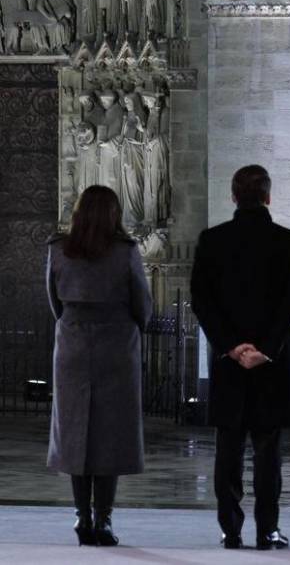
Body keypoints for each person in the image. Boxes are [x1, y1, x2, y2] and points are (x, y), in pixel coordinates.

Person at [191, 165, 290, 551]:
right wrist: (265, 349)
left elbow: (202, 301)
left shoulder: (212, 240)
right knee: (268, 452)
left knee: (228, 449)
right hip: (269, 364)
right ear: (268, 197)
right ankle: (267, 529)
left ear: (234, 197)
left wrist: (230, 346)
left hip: (229, 363)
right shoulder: (289, 241)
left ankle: (230, 529)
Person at [46, 185, 152, 547]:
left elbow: (54, 301)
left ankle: (81, 515)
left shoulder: (59, 249)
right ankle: (103, 518)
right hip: (116, 346)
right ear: (113, 214)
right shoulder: (125, 251)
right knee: (110, 433)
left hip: (73, 345)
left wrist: (75, 323)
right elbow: (142, 303)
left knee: (75, 431)